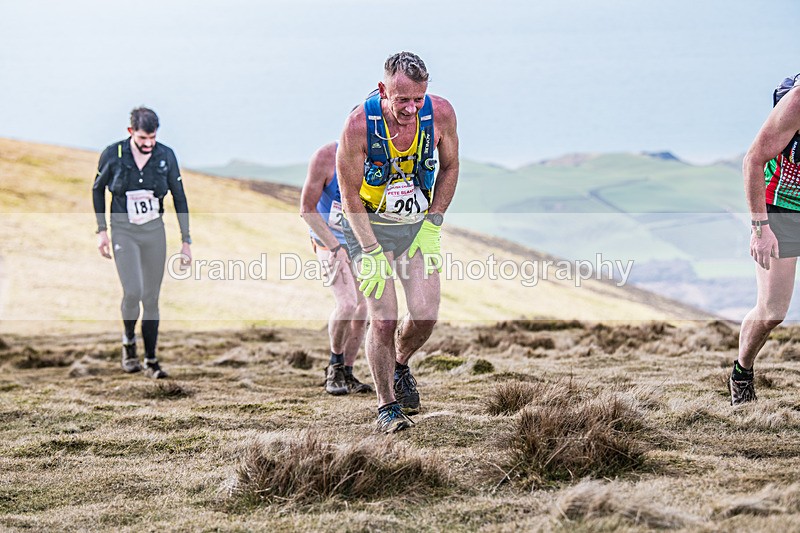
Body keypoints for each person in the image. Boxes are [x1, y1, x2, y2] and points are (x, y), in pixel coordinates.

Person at [337, 51, 459, 432]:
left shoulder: (439, 114)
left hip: (414, 226)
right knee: (385, 319)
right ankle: (387, 407)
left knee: (425, 315)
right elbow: (349, 195)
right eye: (402, 99)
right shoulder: (359, 125)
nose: (410, 109)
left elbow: (451, 166)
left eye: (417, 99)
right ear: (382, 89)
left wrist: (433, 225)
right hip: (368, 228)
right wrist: (371, 252)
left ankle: (400, 364)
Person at [92, 107, 191, 379]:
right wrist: (102, 231)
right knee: (133, 291)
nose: (148, 144)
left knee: (152, 297)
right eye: (143, 139)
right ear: (130, 132)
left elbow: (179, 197)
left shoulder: (165, 156)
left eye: (152, 138)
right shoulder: (113, 155)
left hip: (154, 232)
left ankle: (151, 359)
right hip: (124, 232)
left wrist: (186, 240)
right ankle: (128, 343)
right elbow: (97, 189)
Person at [732, 74, 800, 405]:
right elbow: (753, 160)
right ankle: (742, 373)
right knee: (772, 311)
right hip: (781, 210)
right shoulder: (797, 103)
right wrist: (760, 228)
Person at [300, 141, 373, 396]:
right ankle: (334, 365)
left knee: (365, 308)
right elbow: (307, 210)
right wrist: (334, 248)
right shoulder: (325, 157)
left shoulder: (382, 157)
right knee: (347, 304)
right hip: (327, 239)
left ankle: (348, 371)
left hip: (362, 241)